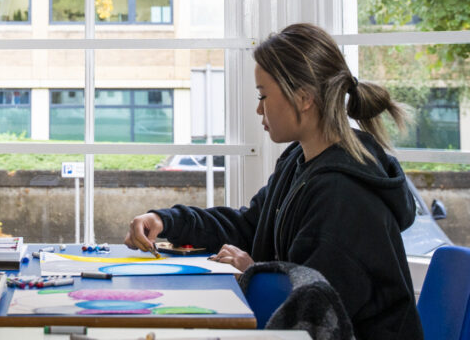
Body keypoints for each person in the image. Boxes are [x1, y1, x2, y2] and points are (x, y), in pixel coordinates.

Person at [125, 23, 424, 340]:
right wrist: (167, 220)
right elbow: (249, 226)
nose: (258, 108)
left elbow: (315, 315)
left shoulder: (345, 195)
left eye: (263, 95)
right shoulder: (300, 161)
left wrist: (255, 275)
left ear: (304, 98)